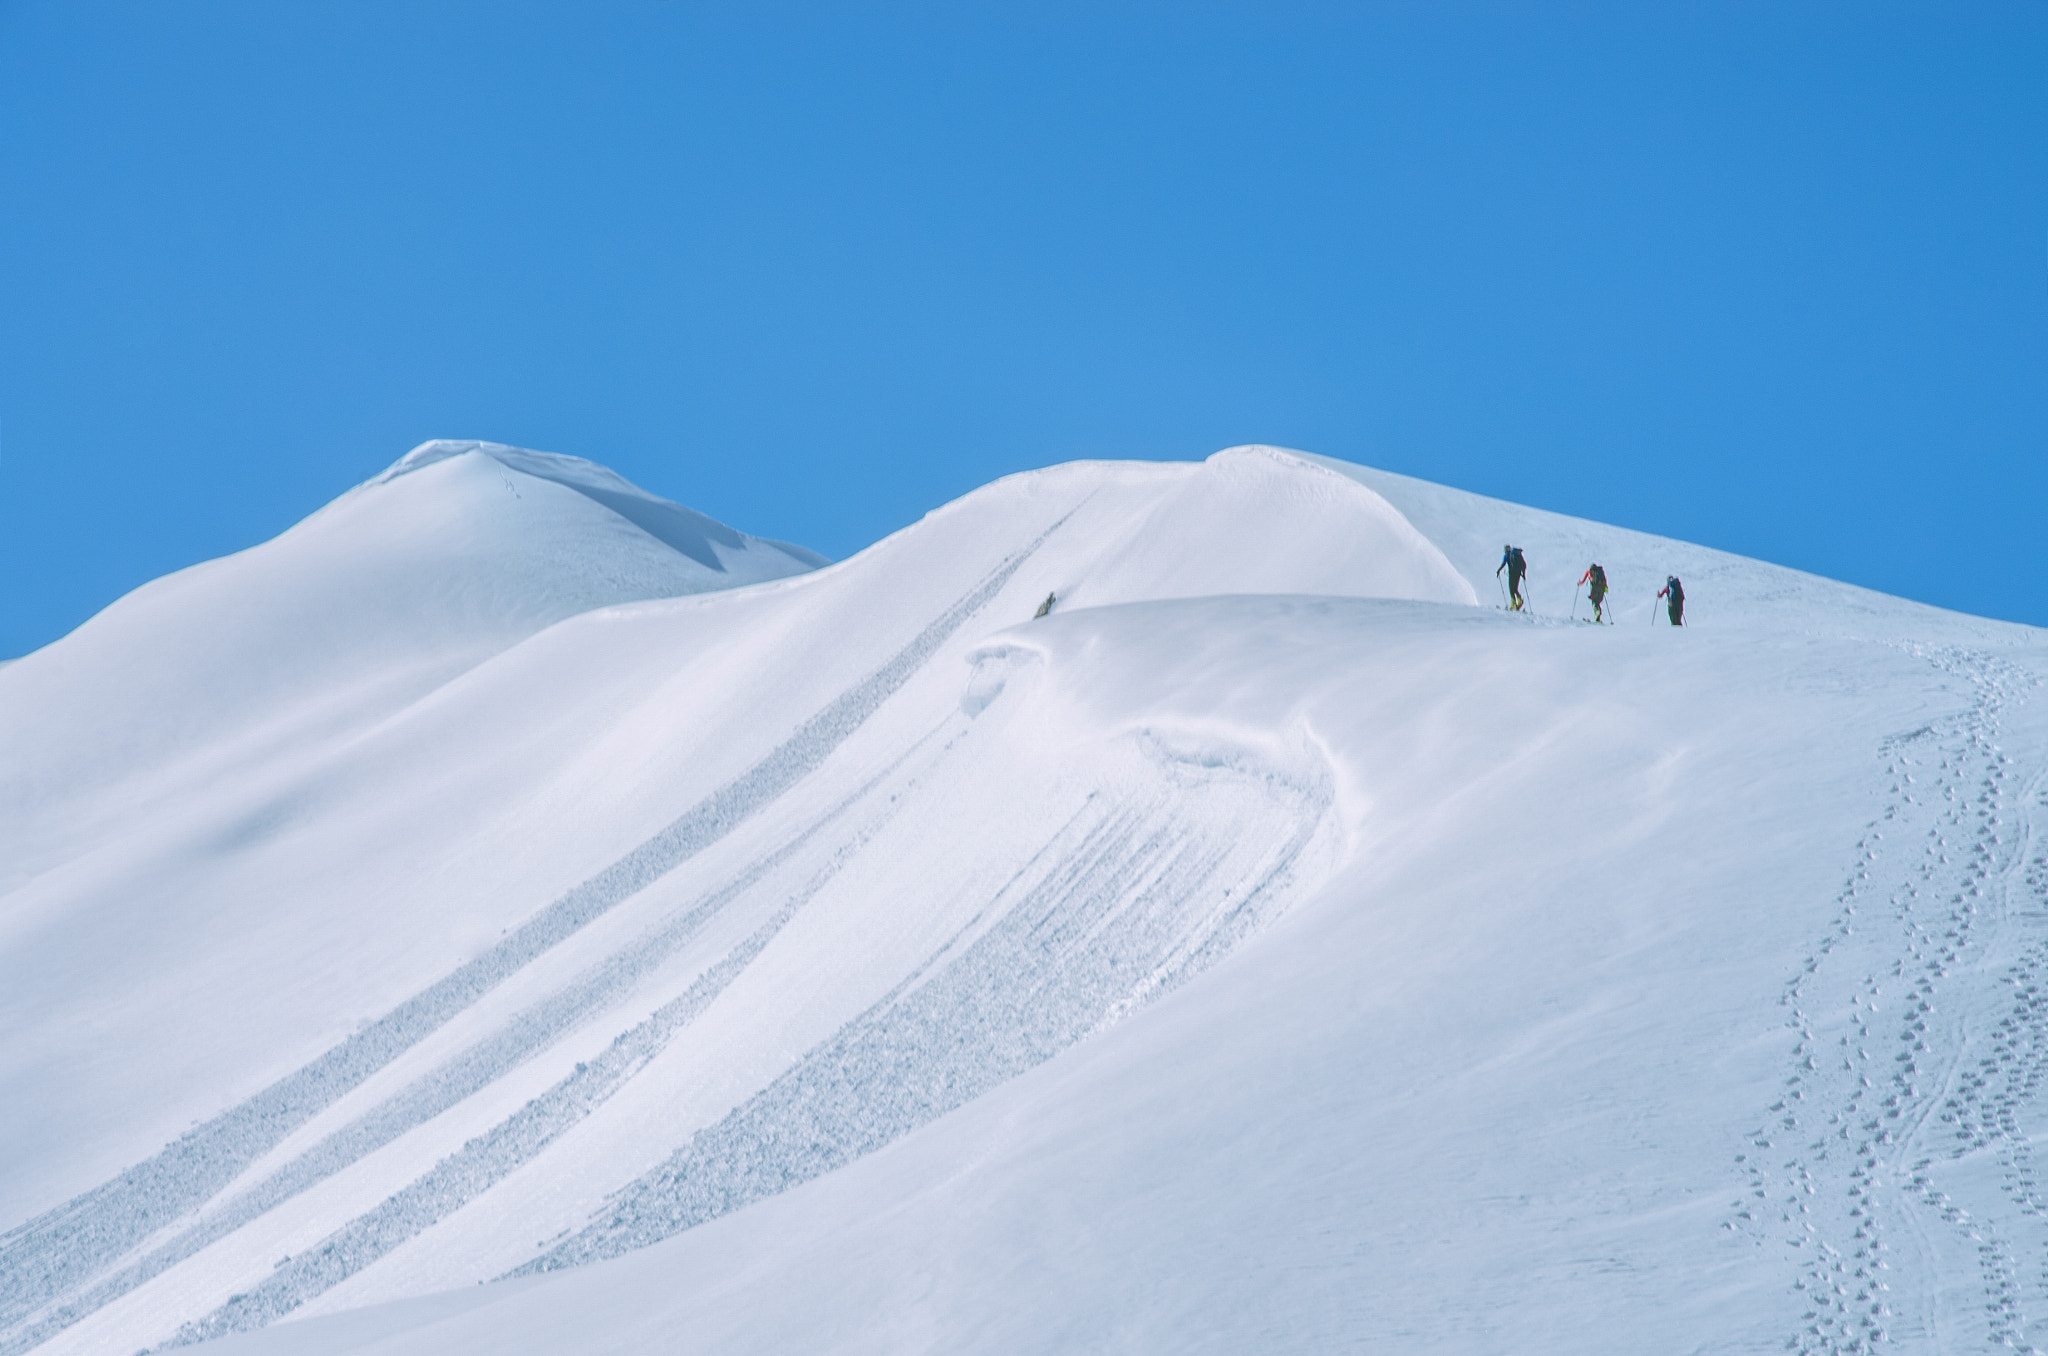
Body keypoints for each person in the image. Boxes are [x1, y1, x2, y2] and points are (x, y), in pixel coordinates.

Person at [1497, 545, 1527, 611]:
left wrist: (1498, 570)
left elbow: (1503, 564)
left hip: (1512, 574)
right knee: (1515, 588)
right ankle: (1519, 601)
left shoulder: (1507, 555)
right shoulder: (1517, 554)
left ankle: (1513, 603)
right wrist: (1523, 574)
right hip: (1518, 574)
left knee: (1511, 589)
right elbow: (1524, 565)